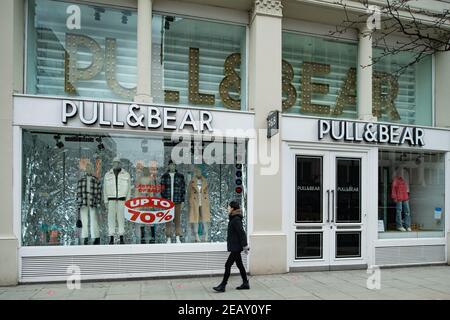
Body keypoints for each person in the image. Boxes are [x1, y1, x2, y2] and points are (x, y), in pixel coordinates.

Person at [213, 201, 250, 292]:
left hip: (236, 247)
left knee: (228, 264)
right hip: (235, 246)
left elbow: (242, 233)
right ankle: (245, 283)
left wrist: (245, 245)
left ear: (233, 208)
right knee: (239, 264)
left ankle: (223, 285)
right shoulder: (233, 218)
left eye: (228, 207)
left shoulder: (236, 219)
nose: (227, 209)